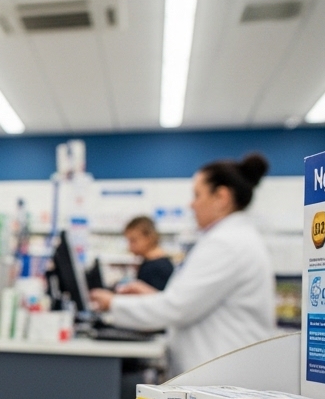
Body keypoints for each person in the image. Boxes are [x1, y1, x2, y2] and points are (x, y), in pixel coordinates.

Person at [89, 154, 276, 375]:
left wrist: (113, 303)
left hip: (224, 378)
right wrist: (151, 296)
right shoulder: (232, 238)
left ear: (221, 197)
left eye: (197, 195)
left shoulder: (226, 243)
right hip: (224, 373)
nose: (192, 204)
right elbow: (189, 303)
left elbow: (176, 309)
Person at [121, 215, 174, 291]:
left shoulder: (157, 267)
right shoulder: (152, 263)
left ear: (148, 238)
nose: (129, 247)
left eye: (133, 241)